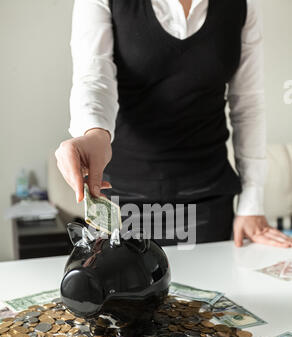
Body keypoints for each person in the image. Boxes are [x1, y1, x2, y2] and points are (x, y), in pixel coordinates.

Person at [55, 0, 292, 247]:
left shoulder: (244, 4)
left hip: (208, 199)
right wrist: (94, 133)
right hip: (122, 198)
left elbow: (248, 103)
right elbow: (94, 79)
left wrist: (252, 203)